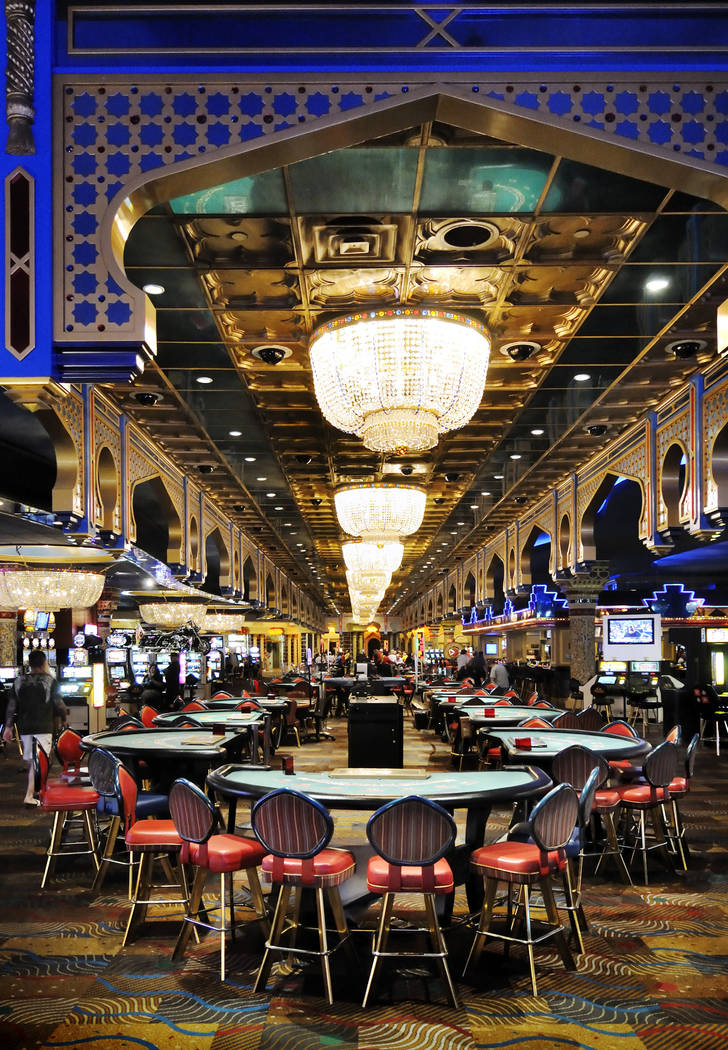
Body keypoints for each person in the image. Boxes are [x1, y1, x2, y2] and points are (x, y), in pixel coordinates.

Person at [2, 649, 68, 806]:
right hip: (43, 725)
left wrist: (8, 727)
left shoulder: (19, 681)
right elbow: (59, 703)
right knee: (41, 760)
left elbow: (11, 707)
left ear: (29, 664)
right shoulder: (50, 681)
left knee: (33, 761)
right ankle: (30, 795)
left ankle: (38, 791)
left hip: (25, 726)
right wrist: (64, 719)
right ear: (44, 662)